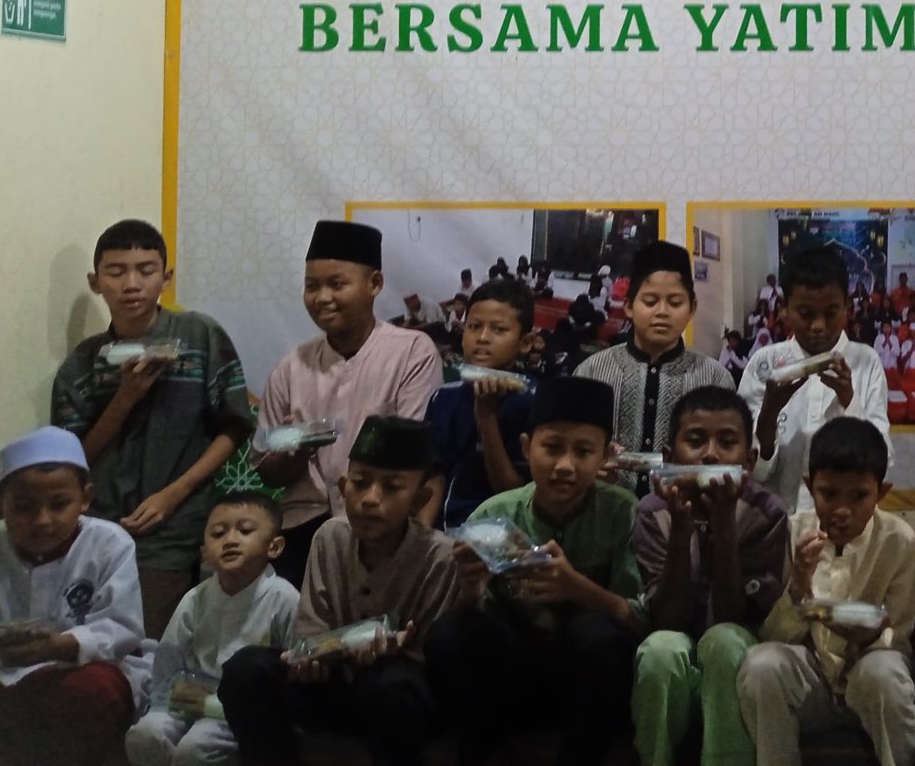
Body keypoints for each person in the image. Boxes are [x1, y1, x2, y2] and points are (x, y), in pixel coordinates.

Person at [51, 219, 255, 638]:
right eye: (116, 271)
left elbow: (235, 427)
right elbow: (73, 460)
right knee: (97, 641)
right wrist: (124, 397)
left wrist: (174, 494)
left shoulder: (199, 336)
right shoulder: (83, 363)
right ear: (95, 282)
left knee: (151, 642)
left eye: (145, 270)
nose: (131, 284)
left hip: (178, 526)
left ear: (166, 277)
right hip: (102, 527)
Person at [424, 376, 643, 765]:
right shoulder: (493, 514)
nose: (565, 466)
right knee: (451, 635)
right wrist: (471, 589)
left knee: (596, 636)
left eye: (583, 451)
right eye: (552, 447)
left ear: (605, 456)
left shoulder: (625, 511)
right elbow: (462, 622)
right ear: (527, 447)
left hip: (589, 683)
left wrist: (579, 589)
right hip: (514, 674)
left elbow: (641, 620)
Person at [219, 416, 457, 766]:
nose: (370, 499)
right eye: (360, 483)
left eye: (392, 488)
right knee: (246, 670)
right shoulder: (330, 536)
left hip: (398, 701)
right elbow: (313, 635)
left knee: (387, 684)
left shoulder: (440, 556)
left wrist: (390, 656)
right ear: (344, 487)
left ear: (418, 499)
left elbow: (431, 665)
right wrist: (311, 660)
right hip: (336, 685)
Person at [0, 426, 151, 766]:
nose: (42, 520)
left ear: (86, 498)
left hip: (77, 669)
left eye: (59, 504)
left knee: (95, 689)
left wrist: (59, 645)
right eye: (24, 507)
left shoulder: (110, 543)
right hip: (3, 675)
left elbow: (122, 627)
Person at [256, 220, 442, 586]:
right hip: (303, 527)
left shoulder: (411, 352)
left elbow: (418, 458)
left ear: (375, 284)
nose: (322, 297)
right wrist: (297, 447)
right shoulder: (291, 367)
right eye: (312, 286)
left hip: (384, 525)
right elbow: (267, 471)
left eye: (336, 284)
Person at [738, 418, 915, 766]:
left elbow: (898, 636)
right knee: (762, 664)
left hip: (867, 681)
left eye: (859, 496)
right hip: (814, 685)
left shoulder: (899, 540)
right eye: (829, 494)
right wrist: (799, 587)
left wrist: (866, 640)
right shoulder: (794, 532)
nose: (842, 510)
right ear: (810, 486)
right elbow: (774, 637)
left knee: (884, 672)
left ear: (881, 493)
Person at [633, 386, 789, 766]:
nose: (711, 455)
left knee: (723, 640)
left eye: (727, 442)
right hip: (676, 646)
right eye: (696, 440)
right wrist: (681, 530)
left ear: (749, 461)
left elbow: (734, 616)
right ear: (669, 457)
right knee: (660, 650)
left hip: (734, 652)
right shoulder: (652, 511)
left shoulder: (767, 513)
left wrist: (724, 526)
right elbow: (667, 618)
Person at [126, 493, 298, 766]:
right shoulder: (196, 598)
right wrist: (166, 698)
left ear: (274, 546)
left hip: (240, 709)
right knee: (145, 734)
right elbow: (169, 659)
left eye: (245, 531)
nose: (230, 540)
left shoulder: (284, 598)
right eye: (218, 533)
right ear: (205, 552)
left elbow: (293, 666)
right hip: (190, 696)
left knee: (195, 750)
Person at [739, 245, 892, 513]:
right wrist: (769, 413)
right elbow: (755, 471)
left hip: (842, 521)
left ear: (846, 307)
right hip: (775, 520)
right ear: (784, 308)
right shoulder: (765, 364)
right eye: (806, 313)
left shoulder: (865, 362)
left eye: (830, 313)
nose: (818, 326)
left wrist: (849, 401)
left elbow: (882, 461)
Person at [579, 240, 735, 496]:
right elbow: (574, 446)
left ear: (692, 308)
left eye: (675, 303)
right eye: (650, 301)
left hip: (685, 512)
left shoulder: (715, 379)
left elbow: (725, 455)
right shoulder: (592, 371)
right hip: (604, 510)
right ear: (629, 306)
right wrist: (590, 464)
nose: (662, 312)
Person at [423, 277, 533, 530]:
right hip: (442, 531)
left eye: (499, 330)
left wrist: (486, 416)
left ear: (525, 342)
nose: (482, 338)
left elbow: (513, 493)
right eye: (474, 326)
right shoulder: (443, 397)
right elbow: (434, 473)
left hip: (500, 535)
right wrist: (424, 534)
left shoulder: (532, 402)